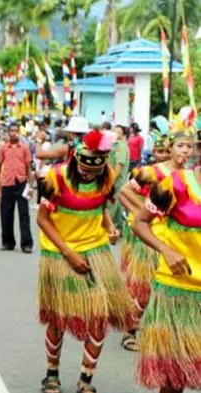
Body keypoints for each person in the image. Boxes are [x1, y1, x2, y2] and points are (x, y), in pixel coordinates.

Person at [37, 129, 132, 393]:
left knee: (100, 316)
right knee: (58, 318)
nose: (90, 175)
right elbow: (42, 219)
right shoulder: (56, 177)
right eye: (85, 170)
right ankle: (51, 375)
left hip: (95, 250)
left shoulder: (107, 175)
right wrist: (69, 253)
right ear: (76, 160)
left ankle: (85, 379)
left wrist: (110, 227)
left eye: (95, 171)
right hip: (60, 253)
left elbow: (100, 206)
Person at [118, 115, 193, 352]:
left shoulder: (190, 177)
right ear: (170, 148)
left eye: (189, 146)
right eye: (180, 145)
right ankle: (130, 331)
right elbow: (124, 191)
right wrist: (139, 213)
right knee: (143, 287)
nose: (185, 150)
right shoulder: (151, 172)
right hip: (150, 238)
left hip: (173, 240)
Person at [132, 147, 201, 393]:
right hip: (178, 292)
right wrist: (165, 249)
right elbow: (140, 222)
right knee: (174, 380)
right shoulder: (176, 184)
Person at [0, 123, 34, 253]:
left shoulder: (24, 149)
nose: (13, 133)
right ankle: (8, 242)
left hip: (21, 182)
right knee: (6, 213)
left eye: (16, 131)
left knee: (24, 213)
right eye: (11, 131)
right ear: (8, 133)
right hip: (7, 183)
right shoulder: (3, 149)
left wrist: (31, 184)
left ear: (19, 133)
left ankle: (26, 244)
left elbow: (28, 167)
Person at [107, 124, 131, 232]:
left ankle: (109, 229)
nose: (115, 134)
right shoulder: (114, 145)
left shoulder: (121, 146)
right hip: (114, 180)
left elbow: (119, 165)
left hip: (116, 181)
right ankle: (120, 229)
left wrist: (111, 181)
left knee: (111, 206)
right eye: (114, 131)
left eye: (118, 132)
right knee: (117, 207)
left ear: (123, 135)